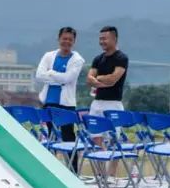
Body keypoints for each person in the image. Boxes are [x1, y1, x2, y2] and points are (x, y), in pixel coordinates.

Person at [35, 27, 85, 171]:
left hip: (66, 105)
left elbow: (68, 78)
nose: (67, 42)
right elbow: (39, 75)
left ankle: (72, 172)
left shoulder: (77, 60)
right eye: (64, 38)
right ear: (59, 39)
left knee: (68, 138)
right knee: (50, 137)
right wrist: (58, 78)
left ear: (74, 41)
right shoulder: (48, 56)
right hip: (48, 102)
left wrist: (50, 74)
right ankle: (49, 170)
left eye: (70, 39)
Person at [86, 26, 128, 117]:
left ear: (114, 39)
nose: (101, 42)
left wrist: (97, 78)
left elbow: (112, 79)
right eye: (100, 39)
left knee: (112, 131)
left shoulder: (121, 58)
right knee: (93, 131)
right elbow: (89, 80)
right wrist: (103, 80)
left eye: (104, 39)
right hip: (96, 103)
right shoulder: (98, 59)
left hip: (113, 104)